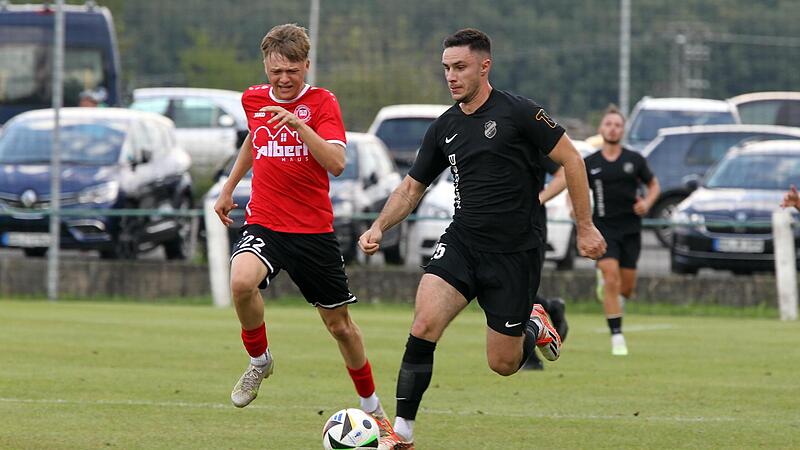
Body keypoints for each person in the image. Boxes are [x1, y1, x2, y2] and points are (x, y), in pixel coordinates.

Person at [358, 28, 606, 449]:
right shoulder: (445, 127)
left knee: (503, 364)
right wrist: (380, 226)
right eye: (446, 69)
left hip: (515, 253)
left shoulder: (520, 112)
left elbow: (572, 159)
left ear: (484, 66)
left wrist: (584, 225)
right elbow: (411, 188)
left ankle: (534, 322)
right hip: (463, 243)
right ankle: (402, 434)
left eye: (460, 67)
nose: (451, 77)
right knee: (423, 325)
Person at [212, 23, 390, 428]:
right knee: (241, 281)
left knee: (340, 327)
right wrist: (229, 187)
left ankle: (372, 407)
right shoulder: (253, 99)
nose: (284, 79)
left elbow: (337, 164)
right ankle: (260, 360)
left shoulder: (323, 103)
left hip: (313, 232)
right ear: (266, 67)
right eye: (276, 71)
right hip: (267, 224)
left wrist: (298, 124)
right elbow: (254, 140)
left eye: (292, 70)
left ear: (306, 65)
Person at [550, 105, 660, 356]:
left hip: (631, 228)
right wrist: (573, 210)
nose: (613, 128)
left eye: (617, 125)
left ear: (623, 130)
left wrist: (647, 203)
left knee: (626, 289)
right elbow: (571, 186)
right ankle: (617, 337)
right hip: (603, 228)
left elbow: (654, 185)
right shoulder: (590, 162)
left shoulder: (635, 160)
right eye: (608, 124)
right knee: (611, 277)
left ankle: (610, 289)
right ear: (601, 129)